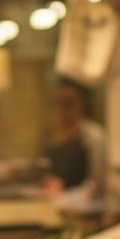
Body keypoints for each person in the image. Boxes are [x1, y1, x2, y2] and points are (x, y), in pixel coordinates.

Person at [41, 77, 107, 218]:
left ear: (83, 104)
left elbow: (95, 187)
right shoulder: (49, 137)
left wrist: (61, 197)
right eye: (57, 104)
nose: (62, 111)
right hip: (55, 214)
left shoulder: (93, 137)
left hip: (85, 216)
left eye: (68, 104)